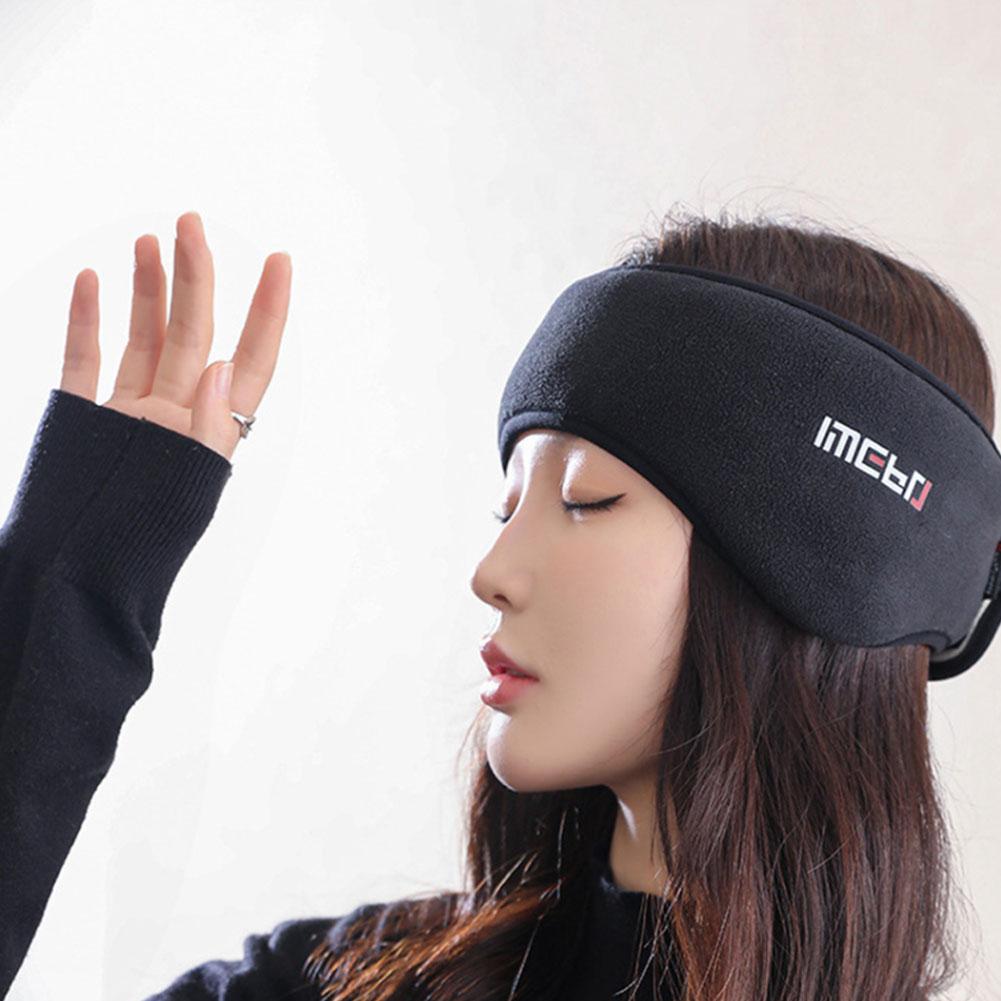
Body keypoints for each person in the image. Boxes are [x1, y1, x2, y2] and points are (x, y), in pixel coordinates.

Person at [0, 206, 985, 1000]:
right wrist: (74, 582)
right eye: (506, 507)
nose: (493, 570)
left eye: (587, 501)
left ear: (813, 584)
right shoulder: (355, 981)